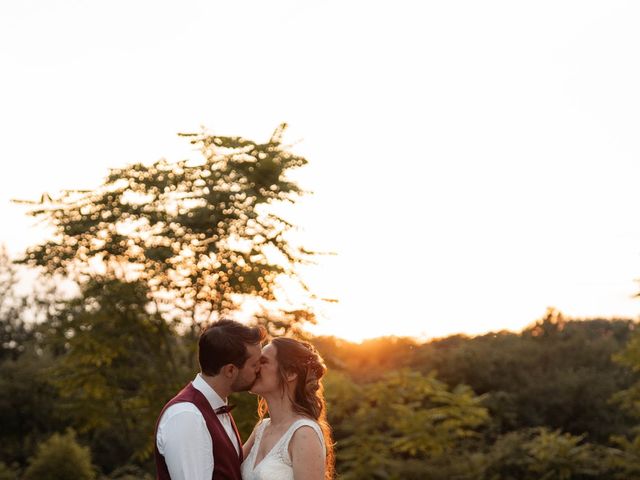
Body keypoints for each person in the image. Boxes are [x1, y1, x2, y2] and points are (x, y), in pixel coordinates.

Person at [155, 319, 266, 480]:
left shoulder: (216, 408)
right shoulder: (187, 416)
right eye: (254, 364)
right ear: (230, 370)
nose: (259, 369)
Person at [241, 337, 335, 480]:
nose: (256, 367)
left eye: (264, 361)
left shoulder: (304, 433)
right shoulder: (261, 428)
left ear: (290, 373)